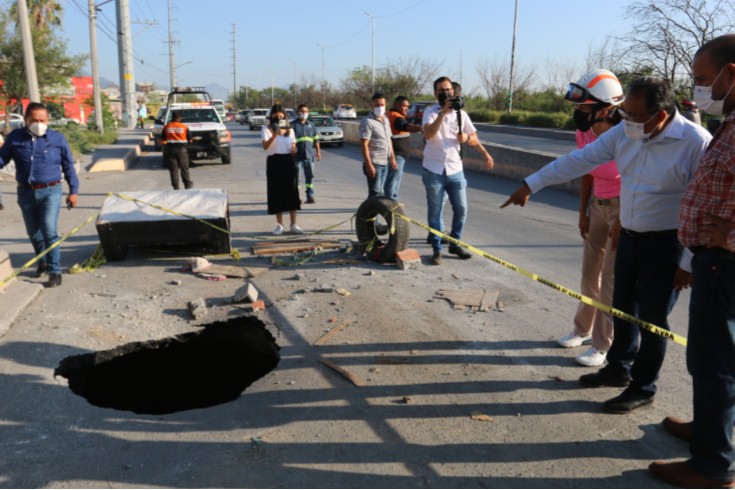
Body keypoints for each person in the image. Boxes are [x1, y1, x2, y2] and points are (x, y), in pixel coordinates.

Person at [501, 77, 711, 413]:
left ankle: (643, 386)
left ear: (660, 116)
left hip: (667, 245)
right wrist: (531, 183)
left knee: (653, 319)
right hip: (629, 236)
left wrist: (687, 262)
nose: (624, 120)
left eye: (633, 115)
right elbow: (579, 160)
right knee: (620, 307)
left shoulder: (694, 142)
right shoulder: (626, 132)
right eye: (623, 112)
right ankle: (618, 369)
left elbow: (704, 206)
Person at [649, 34, 735, 489]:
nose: (701, 87)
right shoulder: (732, 122)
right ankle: (708, 430)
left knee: (715, 360)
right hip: (712, 260)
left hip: (725, 263)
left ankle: (712, 466)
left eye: (704, 79)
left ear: (731, 73)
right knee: (711, 359)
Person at [556, 69, 624, 368]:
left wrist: (625, 218)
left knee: (610, 279)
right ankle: (582, 330)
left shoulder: (624, 136)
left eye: (585, 107)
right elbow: (584, 170)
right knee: (589, 274)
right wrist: (582, 211)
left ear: (605, 107)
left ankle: (602, 345)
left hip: (622, 210)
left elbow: (637, 178)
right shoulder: (583, 133)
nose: (579, 113)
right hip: (597, 206)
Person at [0, 102, 79, 288]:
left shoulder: (57, 139)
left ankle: (54, 271)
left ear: (48, 120)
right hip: (25, 192)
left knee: (49, 231)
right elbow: (2, 158)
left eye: (42, 120)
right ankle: (42, 261)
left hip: (51, 191)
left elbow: (68, 166)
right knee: (34, 233)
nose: (38, 123)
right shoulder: (15, 138)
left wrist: (73, 191)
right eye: (34, 120)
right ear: (26, 120)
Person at [423, 76, 494, 265]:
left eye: (448, 89)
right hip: (434, 170)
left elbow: (473, 137)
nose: (445, 93)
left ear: (453, 92)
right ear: (435, 93)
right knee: (435, 211)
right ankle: (437, 249)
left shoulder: (461, 114)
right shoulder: (430, 112)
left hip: (455, 169)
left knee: (461, 209)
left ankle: (454, 243)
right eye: (440, 90)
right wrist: (443, 113)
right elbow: (429, 133)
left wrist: (482, 151)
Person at [262, 104, 302, 236]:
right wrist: (275, 135)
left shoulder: (290, 130)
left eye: (281, 115)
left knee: (292, 191)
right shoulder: (266, 129)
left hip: (288, 161)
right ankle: (279, 225)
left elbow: (293, 146)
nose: (278, 117)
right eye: (276, 115)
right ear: (271, 115)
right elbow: (265, 146)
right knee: (276, 192)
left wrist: (294, 149)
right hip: (274, 161)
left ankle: (293, 224)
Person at [359, 93, 397, 198]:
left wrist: (392, 158)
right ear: (372, 105)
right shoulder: (367, 122)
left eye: (382, 104)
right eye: (377, 105)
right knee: (375, 195)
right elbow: (364, 144)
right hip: (374, 163)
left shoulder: (386, 120)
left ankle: (369, 214)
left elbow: (388, 140)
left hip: (384, 162)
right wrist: (369, 165)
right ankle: (368, 214)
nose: (380, 107)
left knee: (379, 193)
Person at [385, 96, 422, 200]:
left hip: (396, 154)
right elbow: (406, 126)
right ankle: (390, 201)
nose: (407, 109)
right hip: (396, 155)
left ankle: (392, 199)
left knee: (395, 178)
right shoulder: (396, 117)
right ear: (396, 105)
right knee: (393, 179)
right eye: (404, 106)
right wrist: (421, 128)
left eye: (408, 107)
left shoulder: (389, 114)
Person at [291, 104, 320, 204]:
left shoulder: (311, 125)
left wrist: (318, 152)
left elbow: (316, 139)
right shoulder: (292, 125)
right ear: (297, 112)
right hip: (296, 156)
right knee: (296, 178)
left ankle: (310, 196)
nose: (304, 113)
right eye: (302, 111)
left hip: (309, 156)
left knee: (309, 177)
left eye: (306, 111)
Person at [161, 112, 193, 190]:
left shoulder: (166, 127)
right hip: (182, 150)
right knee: (184, 168)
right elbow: (190, 140)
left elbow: (163, 139)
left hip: (170, 150)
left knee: (173, 169)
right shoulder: (184, 127)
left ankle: (175, 186)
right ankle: (187, 184)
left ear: (172, 118)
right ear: (180, 118)